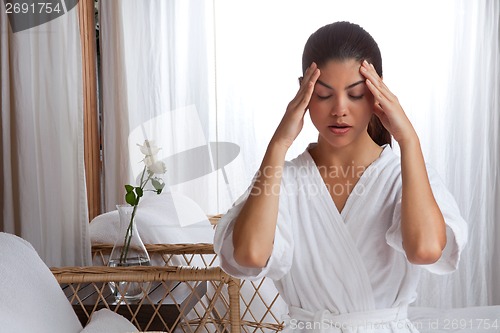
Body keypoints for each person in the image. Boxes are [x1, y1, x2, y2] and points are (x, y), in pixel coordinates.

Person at [214, 21, 467, 332]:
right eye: (323, 95)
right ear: (303, 93)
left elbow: (426, 250)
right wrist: (278, 144)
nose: (339, 109)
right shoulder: (285, 178)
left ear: (378, 92)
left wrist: (409, 140)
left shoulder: (404, 175)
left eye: (356, 94)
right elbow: (250, 255)